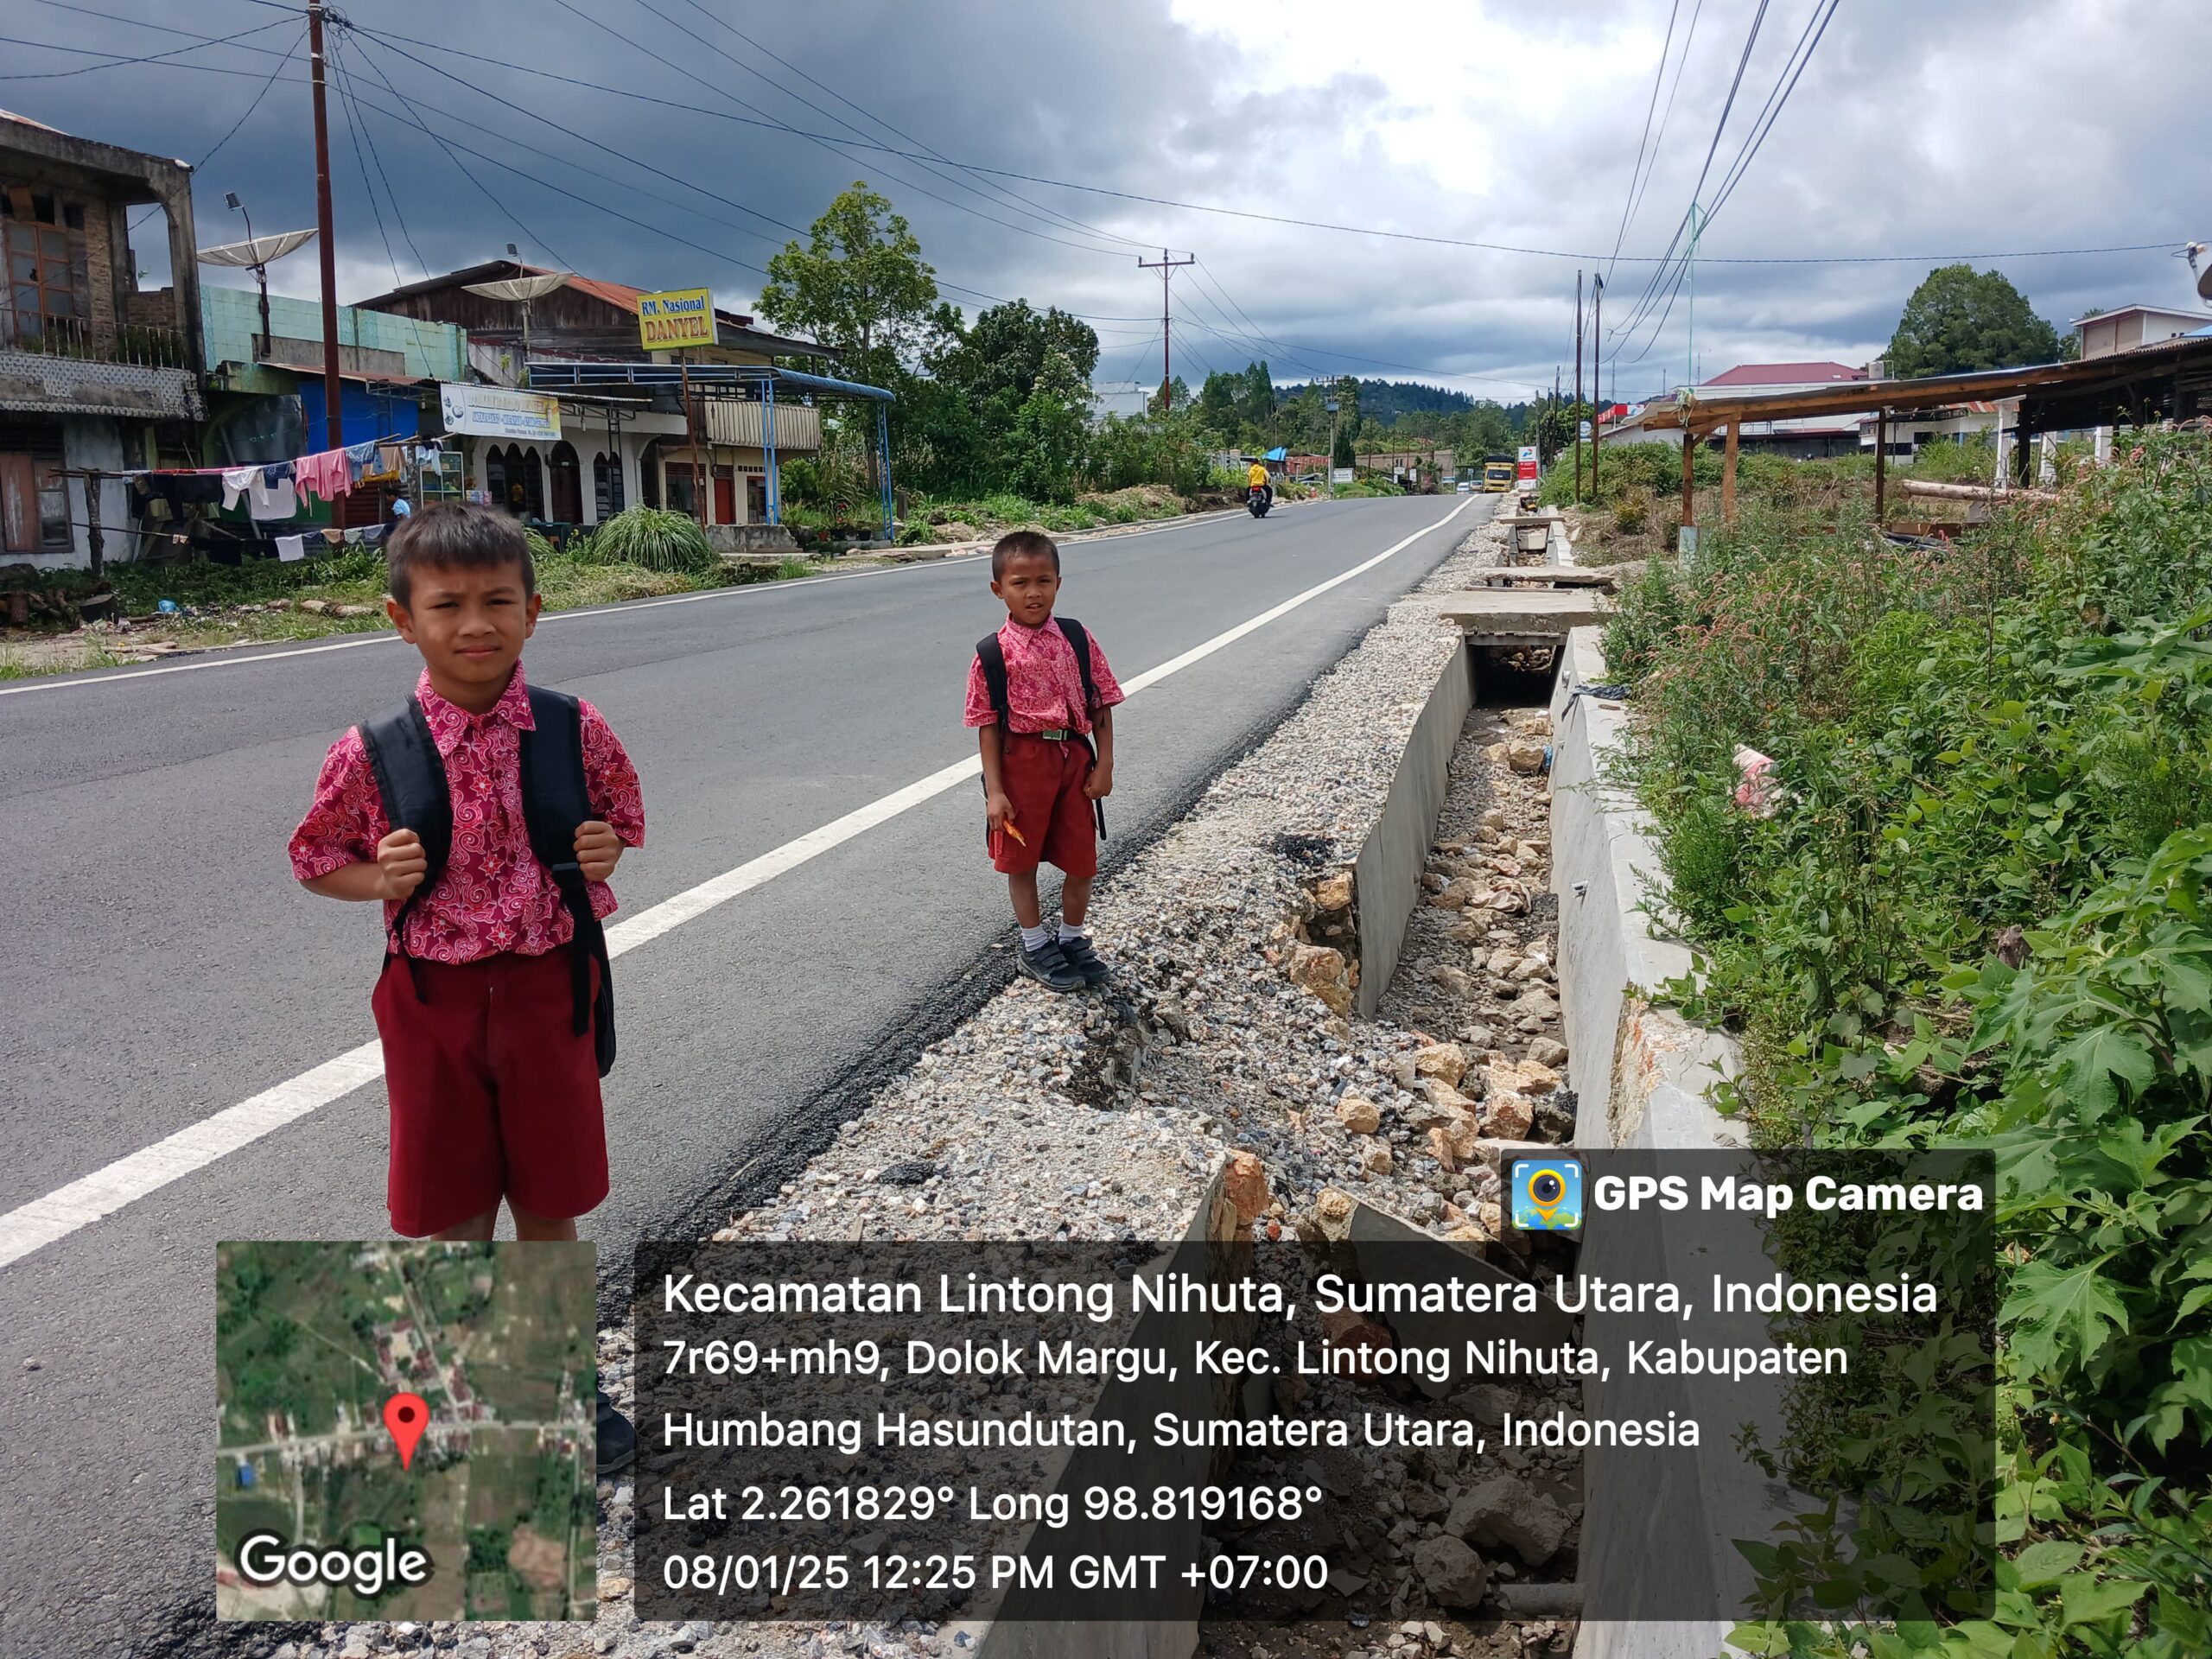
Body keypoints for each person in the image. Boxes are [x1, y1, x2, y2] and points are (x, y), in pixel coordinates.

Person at [289, 503, 644, 1244]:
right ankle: (471, 1357)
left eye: (497, 602)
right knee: (455, 1210)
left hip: (552, 986)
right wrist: (380, 880)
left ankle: (540, 1359)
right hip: (431, 1000)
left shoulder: (575, 727)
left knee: (551, 1203)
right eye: (447, 605)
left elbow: (618, 826)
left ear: (533, 611)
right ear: (403, 620)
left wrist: (602, 852)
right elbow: (318, 862)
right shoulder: (371, 750)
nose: (475, 624)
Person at [964, 530, 1123, 993]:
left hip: (1073, 758)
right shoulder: (992, 655)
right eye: (1019, 583)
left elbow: (1101, 703)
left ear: (1058, 583)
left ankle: (1071, 939)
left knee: (1082, 858)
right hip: (1022, 764)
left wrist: (1104, 763)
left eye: (1043, 581)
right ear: (999, 590)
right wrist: (996, 791)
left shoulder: (1076, 637)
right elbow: (988, 725)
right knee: (1022, 860)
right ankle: (1035, 945)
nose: (1033, 593)